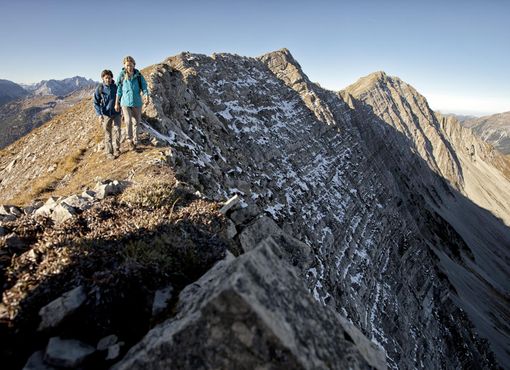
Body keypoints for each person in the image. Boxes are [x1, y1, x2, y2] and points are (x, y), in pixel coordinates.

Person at [115, 56, 149, 150]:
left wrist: (146, 95)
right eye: (127, 65)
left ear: (134, 64)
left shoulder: (138, 75)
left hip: (137, 102)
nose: (129, 67)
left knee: (137, 122)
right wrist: (116, 103)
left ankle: (136, 140)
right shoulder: (122, 76)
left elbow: (144, 87)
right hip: (125, 103)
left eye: (131, 65)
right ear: (124, 66)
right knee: (128, 121)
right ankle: (129, 140)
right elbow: (119, 91)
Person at [94, 69, 121, 159]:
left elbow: (121, 98)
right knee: (108, 134)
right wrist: (99, 115)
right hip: (106, 114)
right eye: (106, 78)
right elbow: (96, 102)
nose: (108, 80)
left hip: (116, 113)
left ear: (112, 78)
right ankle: (109, 153)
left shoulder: (116, 87)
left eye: (109, 78)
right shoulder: (100, 88)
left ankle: (117, 149)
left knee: (117, 130)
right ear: (103, 78)